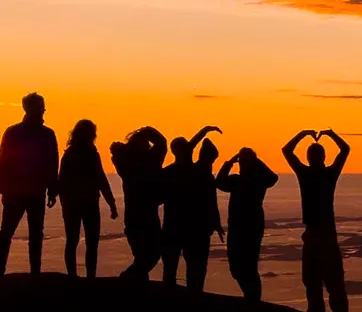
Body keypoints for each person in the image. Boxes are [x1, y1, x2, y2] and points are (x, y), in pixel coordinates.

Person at [284, 128, 349, 312]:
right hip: (322, 232)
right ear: (323, 157)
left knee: (318, 276)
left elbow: (287, 150)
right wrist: (331, 135)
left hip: (318, 232)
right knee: (327, 276)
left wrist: (302, 134)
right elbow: (345, 149)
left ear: (310, 157)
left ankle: (321, 311)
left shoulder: (307, 173)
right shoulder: (328, 174)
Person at [0, 93, 59, 276]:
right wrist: (4, 189)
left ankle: (33, 273)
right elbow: (3, 162)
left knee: (33, 234)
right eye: (40, 107)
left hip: (34, 192)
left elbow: (52, 163)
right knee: (8, 234)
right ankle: (0, 273)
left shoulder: (45, 134)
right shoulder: (15, 133)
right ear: (29, 109)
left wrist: (52, 190)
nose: (42, 110)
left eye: (42, 106)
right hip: (18, 192)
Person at [215, 146, 280, 301]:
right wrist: (230, 163)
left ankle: (253, 298)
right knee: (237, 266)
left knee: (248, 266)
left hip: (251, 228)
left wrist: (253, 161)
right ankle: (250, 296)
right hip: (238, 228)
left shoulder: (257, 181)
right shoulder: (236, 180)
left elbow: (273, 177)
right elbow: (219, 182)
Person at [161, 126, 223, 289]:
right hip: (185, 227)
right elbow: (210, 198)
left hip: (187, 227)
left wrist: (215, 222)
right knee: (185, 268)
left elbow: (210, 198)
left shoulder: (172, 172)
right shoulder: (193, 171)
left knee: (189, 268)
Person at [57, 119, 118, 277]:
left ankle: (77, 276)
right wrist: (111, 203)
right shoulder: (84, 154)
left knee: (78, 241)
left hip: (78, 203)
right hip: (83, 203)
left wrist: (111, 203)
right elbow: (101, 179)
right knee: (85, 241)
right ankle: (85, 276)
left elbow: (62, 181)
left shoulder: (74, 154)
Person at [110, 126, 167, 279]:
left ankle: (133, 282)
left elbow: (161, 143)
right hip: (146, 214)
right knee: (151, 254)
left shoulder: (125, 163)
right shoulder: (150, 161)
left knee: (143, 255)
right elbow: (162, 142)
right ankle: (128, 278)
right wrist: (148, 130)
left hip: (134, 214)